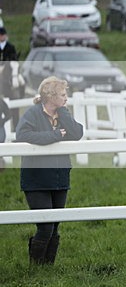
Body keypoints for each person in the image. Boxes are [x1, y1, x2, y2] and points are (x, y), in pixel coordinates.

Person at [15, 76, 84, 265]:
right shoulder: (33, 114)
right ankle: (36, 268)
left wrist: (64, 114)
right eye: (62, 95)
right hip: (36, 179)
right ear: (50, 96)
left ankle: (47, 270)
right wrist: (54, 135)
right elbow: (22, 135)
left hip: (60, 177)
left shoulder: (63, 114)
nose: (66, 98)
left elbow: (77, 133)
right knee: (45, 225)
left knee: (55, 225)